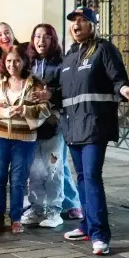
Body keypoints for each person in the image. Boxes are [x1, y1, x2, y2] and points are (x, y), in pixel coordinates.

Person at [60, 7, 129, 256]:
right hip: (73, 127)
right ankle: (87, 225)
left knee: (92, 177)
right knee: (82, 178)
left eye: (82, 21)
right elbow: (64, 92)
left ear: (93, 25)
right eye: (74, 21)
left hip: (95, 125)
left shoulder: (103, 49)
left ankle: (100, 234)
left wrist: (126, 90)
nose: (76, 25)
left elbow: (117, 79)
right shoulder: (70, 55)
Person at [0, 46, 50, 234]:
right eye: (8, 61)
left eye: (16, 60)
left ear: (24, 61)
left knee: (18, 179)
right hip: (0, 136)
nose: (12, 65)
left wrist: (26, 110)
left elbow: (46, 109)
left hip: (25, 139)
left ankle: (16, 218)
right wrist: (3, 112)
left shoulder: (35, 83)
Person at [23, 23, 81, 228]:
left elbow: (67, 91)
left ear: (53, 40)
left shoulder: (61, 64)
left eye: (46, 36)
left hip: (53, 126)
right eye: (37, 36)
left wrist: (53, 103)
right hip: (31, 127)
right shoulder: (28, 64)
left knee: (54, 169)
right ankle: (37, 209)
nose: (41, 41)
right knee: (35, 171)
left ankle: (55, 210)